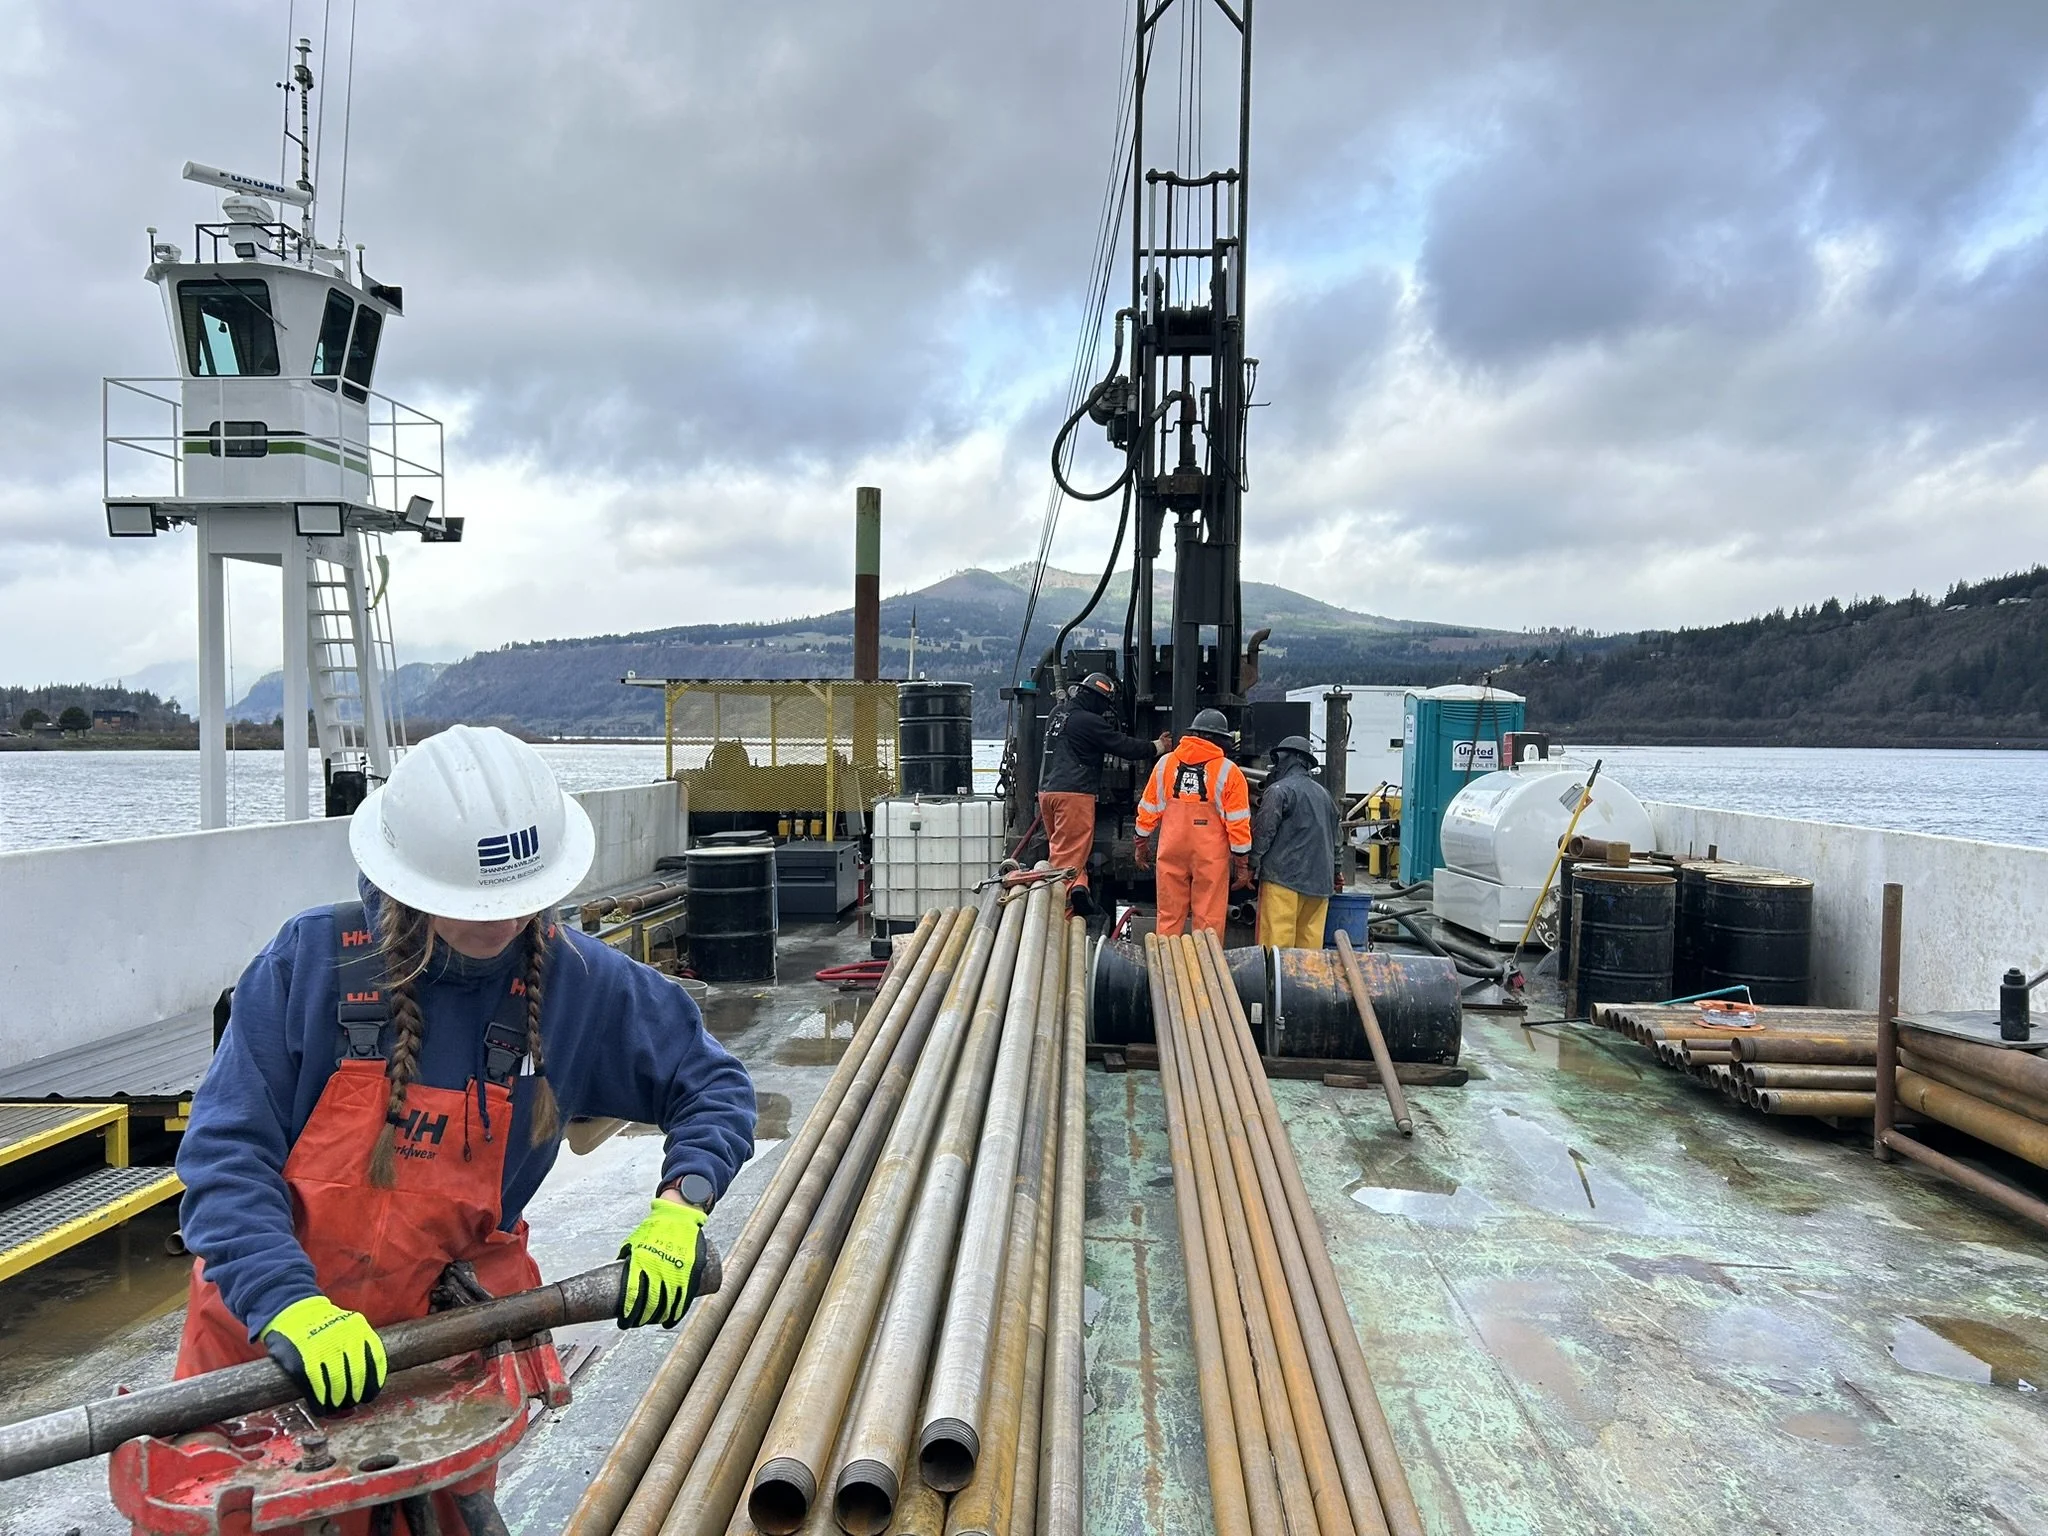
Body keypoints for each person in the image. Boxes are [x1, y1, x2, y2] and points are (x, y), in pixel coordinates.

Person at [172, 726, 755, 1517]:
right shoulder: (312, 964)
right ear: (407, 877)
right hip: (263, 1344)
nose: (499, 926)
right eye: (470, 905)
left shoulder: (579, 984)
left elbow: (712, 1083)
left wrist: (679, 1211)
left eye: (518, 905)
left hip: (436, 1355)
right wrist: (287, 1304)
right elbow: (223, 1158)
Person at [1037, 672, 1168, 915]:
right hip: (1073, 795)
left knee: (1062, 851)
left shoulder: (1057, 715)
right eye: (1105, 704)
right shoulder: (1088, 721)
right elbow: (1123, 746)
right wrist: (1157, 747)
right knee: (1068, 857)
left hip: (1047, 792)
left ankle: (1078, 889)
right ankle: (1062, 917)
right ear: (1097, 699)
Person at [1134, 708, 1252, 937]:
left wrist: (1141, 845)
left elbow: (1148, 809)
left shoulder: (1165, 764)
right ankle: (1205, 968)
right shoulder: (1230, 772)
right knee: (1208, 920)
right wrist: (1242, 865)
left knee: (1169, 916)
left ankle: (1165, 965)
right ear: (1220, 739)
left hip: (1171, 850)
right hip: (1210, 856)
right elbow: (1238, 823)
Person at [1252, 734, 1341, 948]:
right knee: (1310, 950)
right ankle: (1304, 983)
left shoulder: (1279, 791)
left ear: (1289, 759)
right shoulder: (1325, 796)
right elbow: (1337, 839)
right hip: (1320, 884)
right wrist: (1336, 871)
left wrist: (1251, 864)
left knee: (1277, 946)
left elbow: (1264, 832)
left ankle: (1275, 982)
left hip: (1282, 881)